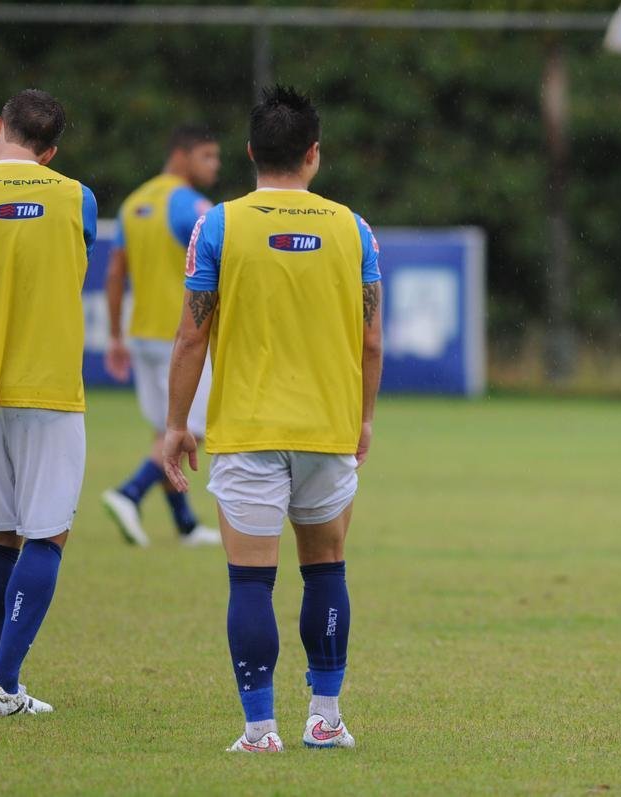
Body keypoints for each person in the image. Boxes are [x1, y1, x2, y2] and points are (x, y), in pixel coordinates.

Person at [163, 85, 382, 753]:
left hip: (249, 432)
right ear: (314, 154)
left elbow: (192, 336)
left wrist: (176, 422)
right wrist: (364, 418)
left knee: (251, 579)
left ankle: (260, 728)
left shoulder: (219, 224)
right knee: (327, 569)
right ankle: (326, 717)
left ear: (251, 152)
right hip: (326, 428)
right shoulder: (354, 228)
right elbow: (372, 340)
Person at [0, 89, 98, 715]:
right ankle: (3, 685)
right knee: (46, 536)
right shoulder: (75, 196)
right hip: (48, 384)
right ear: (51, 151)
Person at [101, 125, 222, 547]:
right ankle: (128, 492)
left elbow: (116, 273)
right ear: (183, 155)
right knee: (193, 428)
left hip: (142, 336)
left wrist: (115, 336)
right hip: (182, 337)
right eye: (208, 155)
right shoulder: (192, 206)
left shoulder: (134, 202)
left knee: (166, 430)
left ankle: (185, 525)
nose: (215, 165)